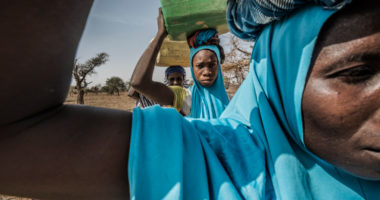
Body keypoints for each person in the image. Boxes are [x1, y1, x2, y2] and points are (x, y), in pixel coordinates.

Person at [1, 0, 380, 200]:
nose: (204, 72)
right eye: (358, 72)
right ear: (282, 77)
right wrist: (161, 37)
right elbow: (136, 82)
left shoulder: (247, 100)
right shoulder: (218, 154)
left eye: (210, 64)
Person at [130, 10, 229, 119]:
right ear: (192, 68)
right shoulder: (186, 96)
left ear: (218, 65)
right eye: (200, 66)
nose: (207, 72)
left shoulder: (231, 101)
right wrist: (160, 35)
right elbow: (139, 83)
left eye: (212, 65)